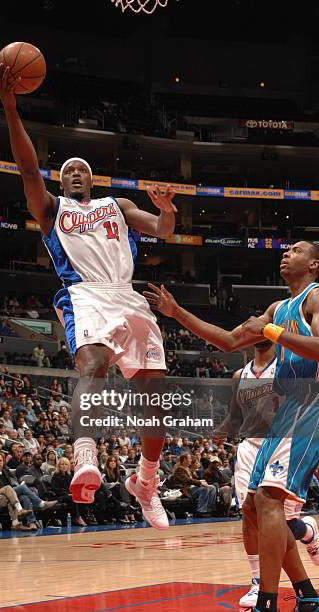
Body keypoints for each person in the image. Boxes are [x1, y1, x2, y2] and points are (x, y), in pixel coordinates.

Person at [0, 62, 177, 530]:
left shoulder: (119, 206)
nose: (75, 172)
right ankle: (84, 455)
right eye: (69, 170)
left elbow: (163, 231)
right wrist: (11, 108)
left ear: (91, 179)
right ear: (62, 182)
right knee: (92, 365)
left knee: (155, 399)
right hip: (85, 293)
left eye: (82, 169)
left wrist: (168, 210)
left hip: (129, 297)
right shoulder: (52, 209)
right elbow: (27, 166)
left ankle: (147, 482)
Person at [145, 240, 319, 611]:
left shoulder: (316, 298)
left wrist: (271, 333)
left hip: (311, 403)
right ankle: (306, 595)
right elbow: (227, 341)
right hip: (288, 410)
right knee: (256, 507)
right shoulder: (278, 307)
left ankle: (267, 601)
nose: (287, 253)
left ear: (315, 264)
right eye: (286, 250)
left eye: (298, 250)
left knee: (270, 500)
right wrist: (177, 313)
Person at [213, 341, 318, 608]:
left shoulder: (287, 366)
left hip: (284, 441)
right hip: (250, 446)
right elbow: (235, 417)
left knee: (283, 521)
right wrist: (223, 429)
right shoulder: (240, 376)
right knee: (251, 516)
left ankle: (308, 533)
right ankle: (259, 582)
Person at [173, 452, 217, 517]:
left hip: (191, 488)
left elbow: (195, 479)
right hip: (184, 489)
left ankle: (210, 509)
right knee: (205, 488)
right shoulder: (179, 469)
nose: (191, 460)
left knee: (212, 487)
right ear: (185, 459)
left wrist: (202, 481)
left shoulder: (188, 469)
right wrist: (200, 482)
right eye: (189, 458)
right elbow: (187, 480)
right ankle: (201, 511)